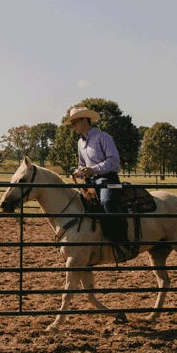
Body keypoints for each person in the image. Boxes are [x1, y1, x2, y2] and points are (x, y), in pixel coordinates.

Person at [63, 105, 130, 259]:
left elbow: (114, 161)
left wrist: (92, 169)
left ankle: (121, 242)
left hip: (109, 179)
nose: (73, 126)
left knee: (107, 203)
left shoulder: (103, 137)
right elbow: (82, 164)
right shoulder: (80, 143)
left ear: (84, 120)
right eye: (72, 123)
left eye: (75, 122)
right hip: (91, 182)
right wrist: (79, 172)